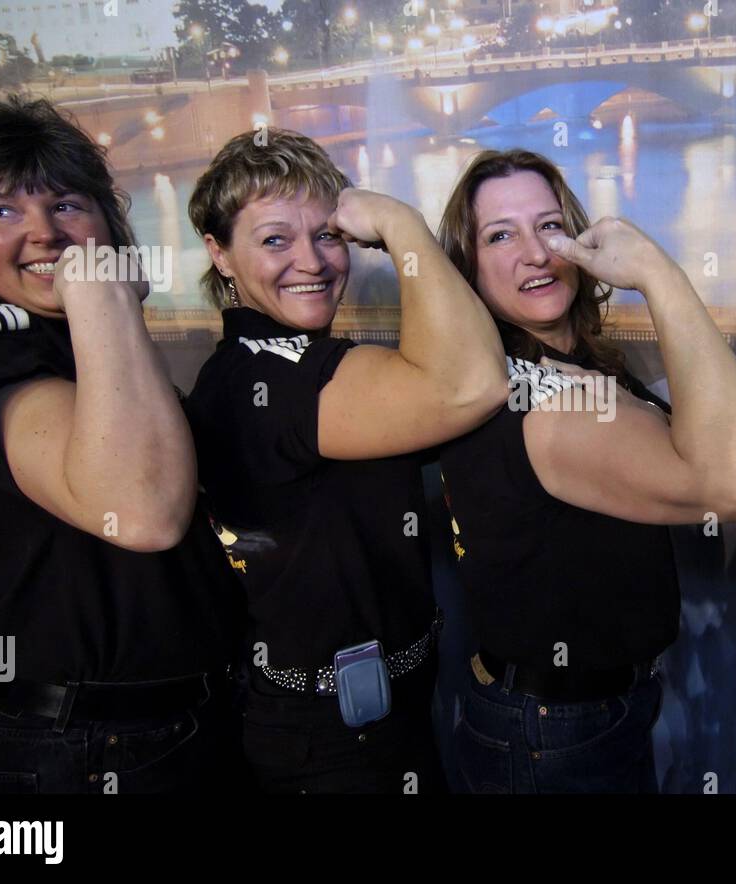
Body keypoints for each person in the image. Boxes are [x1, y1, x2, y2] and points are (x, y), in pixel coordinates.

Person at [0, 97, 245, 793]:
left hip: (156, 727)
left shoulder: (65, 341)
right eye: (0, 210)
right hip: (90, 746)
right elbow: (143, 512)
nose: (44, 232)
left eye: (66, 204)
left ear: (106, 222)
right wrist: (102, 293)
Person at [436, 149, 736, 793]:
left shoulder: (582, 370)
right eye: (501, 236)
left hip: (588, 718)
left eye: (549, 226)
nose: (536, 253)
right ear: (467, 271)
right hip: (553, 735)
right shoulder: (541, 401)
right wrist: (658, 274)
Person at [184, 128, 507, 793]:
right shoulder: (264, 375)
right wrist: (401, 223)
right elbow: (471, 386)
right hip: (331, 740)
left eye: (326, 235)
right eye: (275, 240)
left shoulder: (299, 363)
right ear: (219, 254)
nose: (311, 261)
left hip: (374, 715)